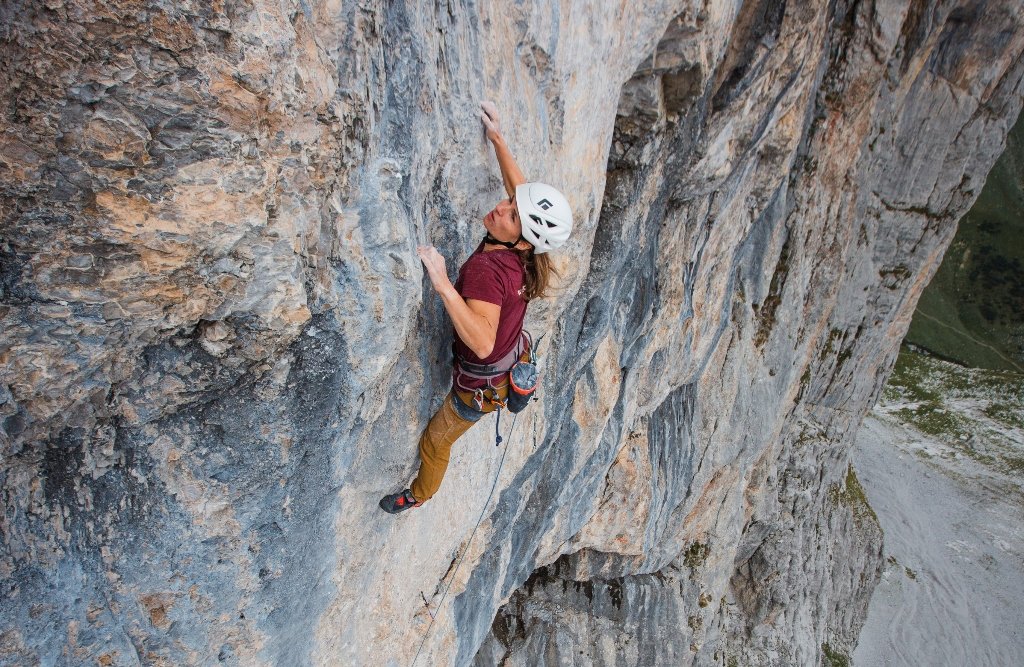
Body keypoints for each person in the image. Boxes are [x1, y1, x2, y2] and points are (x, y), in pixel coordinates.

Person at [379, 101, 573, 514]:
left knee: (435, 441)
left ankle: (418, 495)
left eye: (511, 215)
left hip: (479, 389)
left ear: (523, 239)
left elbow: (483, 343)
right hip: (508, 361)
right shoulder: (527, 250)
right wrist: (497, 138)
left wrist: (443, 284)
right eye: (509, 204)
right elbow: (518, 190)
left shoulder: (488, 269)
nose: (501, 209)